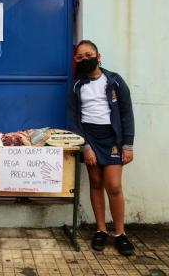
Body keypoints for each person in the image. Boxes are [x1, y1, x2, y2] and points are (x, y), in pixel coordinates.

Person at [68, 40, 135, 256]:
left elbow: (126, 113)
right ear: (76, 61)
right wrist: (85, 146)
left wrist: (128, 144)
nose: (85, 59)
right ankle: (101, 230)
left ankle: (120, 234)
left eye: (89, 55)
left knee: (113, 186)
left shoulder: (115, 81)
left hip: (112, 139)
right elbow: (74, 120)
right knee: (96, 182)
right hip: (90, 138)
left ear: (99, 56)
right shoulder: (77, 86)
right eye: (80, 57)